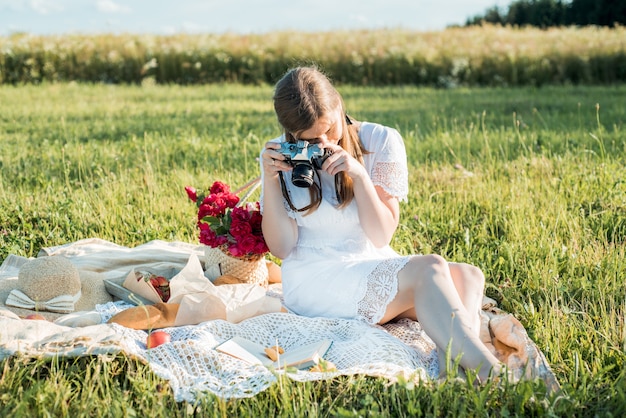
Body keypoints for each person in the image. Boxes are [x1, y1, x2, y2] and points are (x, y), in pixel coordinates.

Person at [260, 66, 505, 382]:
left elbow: (380, 235)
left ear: (338, 105)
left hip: (369, 260)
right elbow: (281, 247)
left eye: (329, 130)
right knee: (429, 268)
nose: (322, 143)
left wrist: (359, 176)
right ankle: (488, 370)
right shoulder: (279, 154)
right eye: (309, 139)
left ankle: (452, 367)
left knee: (468, 276)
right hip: (315, 277)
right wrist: (270, 179)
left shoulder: (381, 139)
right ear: (291, 132)